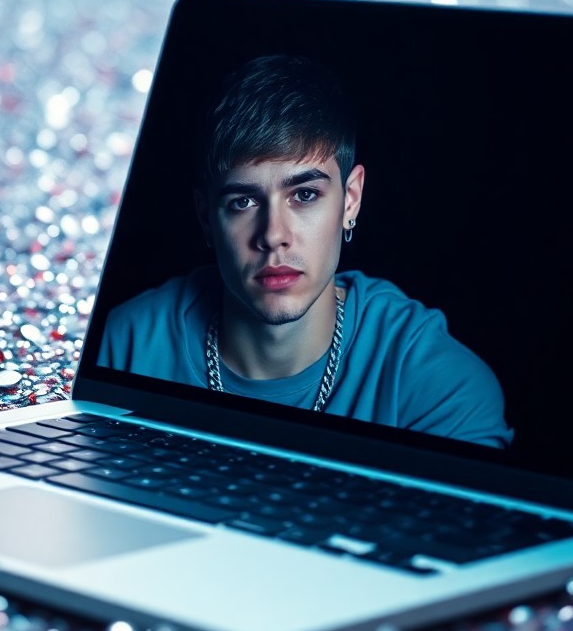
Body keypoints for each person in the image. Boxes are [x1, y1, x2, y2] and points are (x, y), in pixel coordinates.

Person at [98, 54, 511, 448]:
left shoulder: (436, 387)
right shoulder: (125, 346)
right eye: (243, 202)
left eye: (305, 194)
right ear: (207, 218)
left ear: (350, 200)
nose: (274, 235)